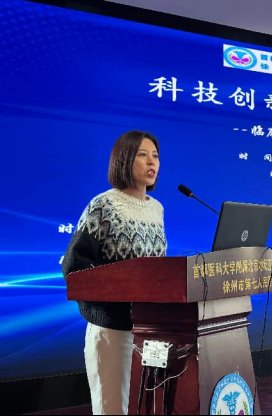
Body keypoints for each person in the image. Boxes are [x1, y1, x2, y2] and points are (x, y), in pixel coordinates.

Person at [62, 130, 167, 415]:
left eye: (155, 156)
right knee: (114, 409)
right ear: (123, 160)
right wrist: (109, 308)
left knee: (148, 407)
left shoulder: (157, 209)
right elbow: (74, 268)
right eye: (142, 155)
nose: (152, 162)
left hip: (151, 329)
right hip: (113, 332)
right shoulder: (103, 206)